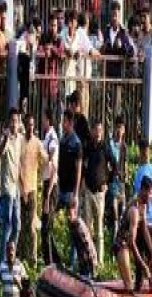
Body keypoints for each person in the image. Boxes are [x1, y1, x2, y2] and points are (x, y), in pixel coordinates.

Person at [46, 109, 83, 266]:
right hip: (60, 189)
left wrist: (75, 193)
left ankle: (73, 260)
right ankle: (53, 256)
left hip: (70, 192)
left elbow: (79, 169)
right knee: (49, 221)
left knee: (73, 227)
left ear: (69, 123)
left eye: (64, 121)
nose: (62, 124)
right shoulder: (63, 140)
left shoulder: (76, 143)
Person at [112, 175, 152, 293]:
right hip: (122, 245)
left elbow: (144, 228)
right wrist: (143, 265)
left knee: (146, 259)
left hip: (129, 242)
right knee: (129, 286)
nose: (151, 197)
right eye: (149, 193)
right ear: (143, 190)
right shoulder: (134, 211)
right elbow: (132, 242)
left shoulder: (144, 205)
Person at [19, 112, 47, 265]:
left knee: (31, 225)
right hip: (21, 189)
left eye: (32, 125)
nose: (30, 128)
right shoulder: (20, 142)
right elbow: (17, 166)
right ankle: (22, 255)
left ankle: (33, 258)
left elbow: (45, 160)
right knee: (21, 225)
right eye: (28, 125)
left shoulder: (37, 143)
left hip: (32, 190)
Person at [0, 108, 23, 262]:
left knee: (18, 225)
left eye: (17, 121)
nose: (15, 124)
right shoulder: (6, 138)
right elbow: (0, 150)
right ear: (9, 123)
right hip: (7, 187)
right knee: (7, 224)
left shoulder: (20, 138)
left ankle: (11, 253)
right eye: (13, 121)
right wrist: (5, 137)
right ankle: (3, 258)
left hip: (16, 187)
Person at [83, 120, 108, 260]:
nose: (98, 133)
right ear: (92, 131)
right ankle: (88, 258)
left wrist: (107, 182)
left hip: (99, 193)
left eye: (100, 130)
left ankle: (100, 261)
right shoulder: (88, 146)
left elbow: (114, 165)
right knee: (87, 228)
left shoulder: (105, 147)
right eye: (96, 130)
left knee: (99, 230)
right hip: (88, 191)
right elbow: (83, 164)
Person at [40, 108, 60, 264]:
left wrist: (48, 194)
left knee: (47, 226)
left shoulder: (52, 138)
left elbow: (53, 167)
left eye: (43, 118)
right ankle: (55, 260)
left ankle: (51, 262)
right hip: (47, 183)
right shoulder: (46, 137)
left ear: (48, 120)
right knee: (46, 226)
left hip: (51, 185)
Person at [105, 114, 128, 244]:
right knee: (114, 213)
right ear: (115, 128)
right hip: (112, 182)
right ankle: (114, 241)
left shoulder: (124, 147)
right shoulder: (110, 144)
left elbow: (125, 166)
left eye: (122, 128)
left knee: (122, 213)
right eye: (118, 127)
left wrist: (125, 176)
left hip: (121, 184)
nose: (120, 131)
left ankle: (121, 241)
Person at [67, 199, 98, 278]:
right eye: (67, 214)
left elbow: (88, 246)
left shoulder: (79, 227)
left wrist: (92, 263)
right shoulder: (72, 225)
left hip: (88, 261)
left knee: (87, 279)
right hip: (82, 261)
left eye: (70, 214)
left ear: (75, 213)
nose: (68, 217)